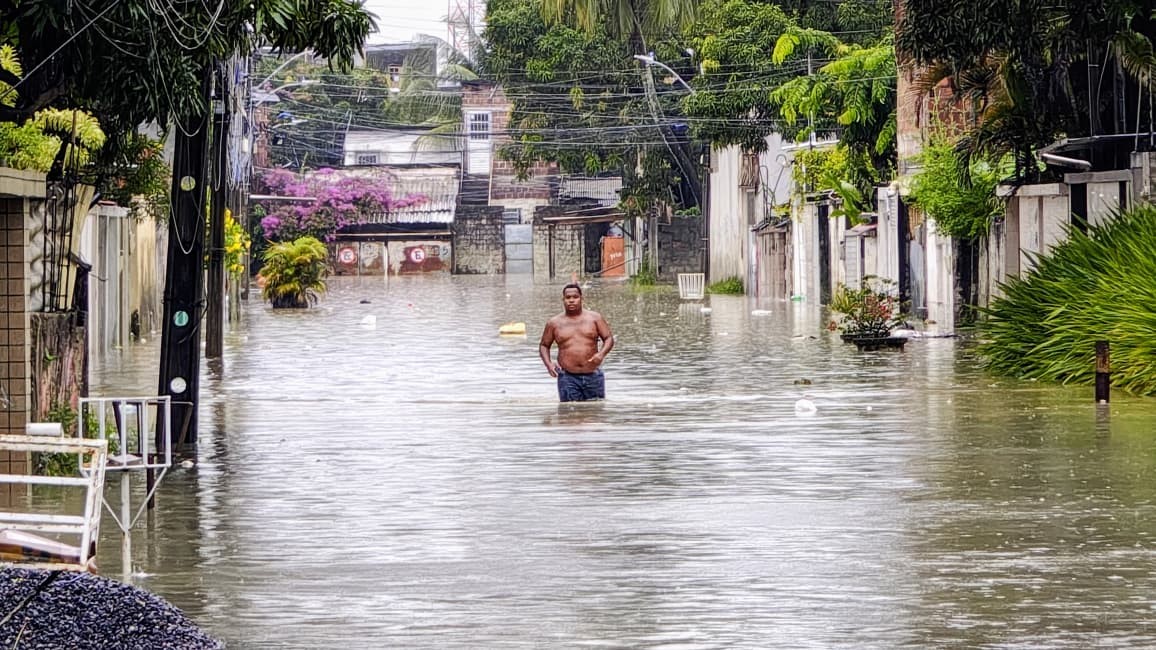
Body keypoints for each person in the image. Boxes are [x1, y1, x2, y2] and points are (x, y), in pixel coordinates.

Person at [539, 283, 615, 402]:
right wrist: (548, 364)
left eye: (575, 297)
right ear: (563, 300)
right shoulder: (554, 323)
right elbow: (544, 345)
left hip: (593, 375)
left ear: (581, 298)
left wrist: (601, 354)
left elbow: (608, 338)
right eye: (568, 297)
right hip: (567, 377)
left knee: (595, 410)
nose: (571, 300)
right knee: (569, 410)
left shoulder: (595, 318)